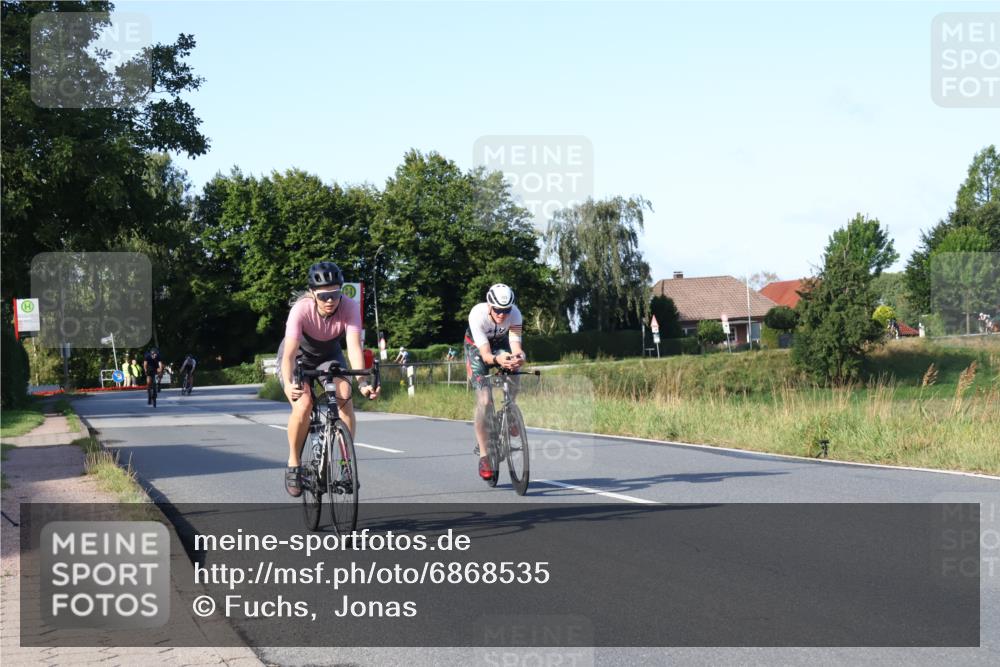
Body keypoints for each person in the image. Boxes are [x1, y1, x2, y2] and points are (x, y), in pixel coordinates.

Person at [279, 261, 380, 497]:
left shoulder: (350, 306)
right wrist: (288, 385)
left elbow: (354, 348)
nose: (330, 300)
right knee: (303, 405)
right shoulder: (301, 310)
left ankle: (345, 465)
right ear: (313, 293)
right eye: (324, 296)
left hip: (329, 355)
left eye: (335, 294)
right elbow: (289, 355)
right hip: (299, 358)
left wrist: (362, 383)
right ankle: (294, 463)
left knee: (345, 397)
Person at [464, 283, 525, 480]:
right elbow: (486, 355)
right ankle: (484, 455)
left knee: (515, 368)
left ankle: (510, 410)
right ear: (490, 305)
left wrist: (519, 357)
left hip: (501, 345)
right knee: (485, 401)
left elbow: (515, 345)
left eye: (506, 310)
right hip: (477, 349)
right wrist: (497, 360)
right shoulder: (477, 314)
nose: (502, 314)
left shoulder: (515, 314)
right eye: (498, 310)